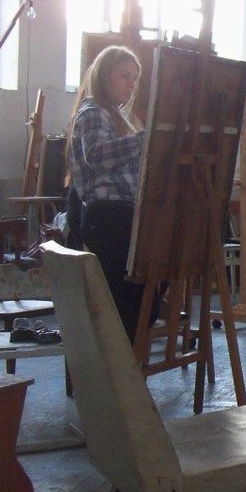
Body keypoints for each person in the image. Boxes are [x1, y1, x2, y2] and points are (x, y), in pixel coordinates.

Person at [66, 45, 156, 341]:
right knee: (124, 299)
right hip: (108, 218)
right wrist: (144, 140)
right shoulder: (93, 112)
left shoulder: (118, 117)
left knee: (144, 290)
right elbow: (97, 156)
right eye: (124, 76)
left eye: (135, 78)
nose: (131, 84)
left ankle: (123, 354)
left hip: (123, 214)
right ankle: (116, 359)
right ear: (105, 76)